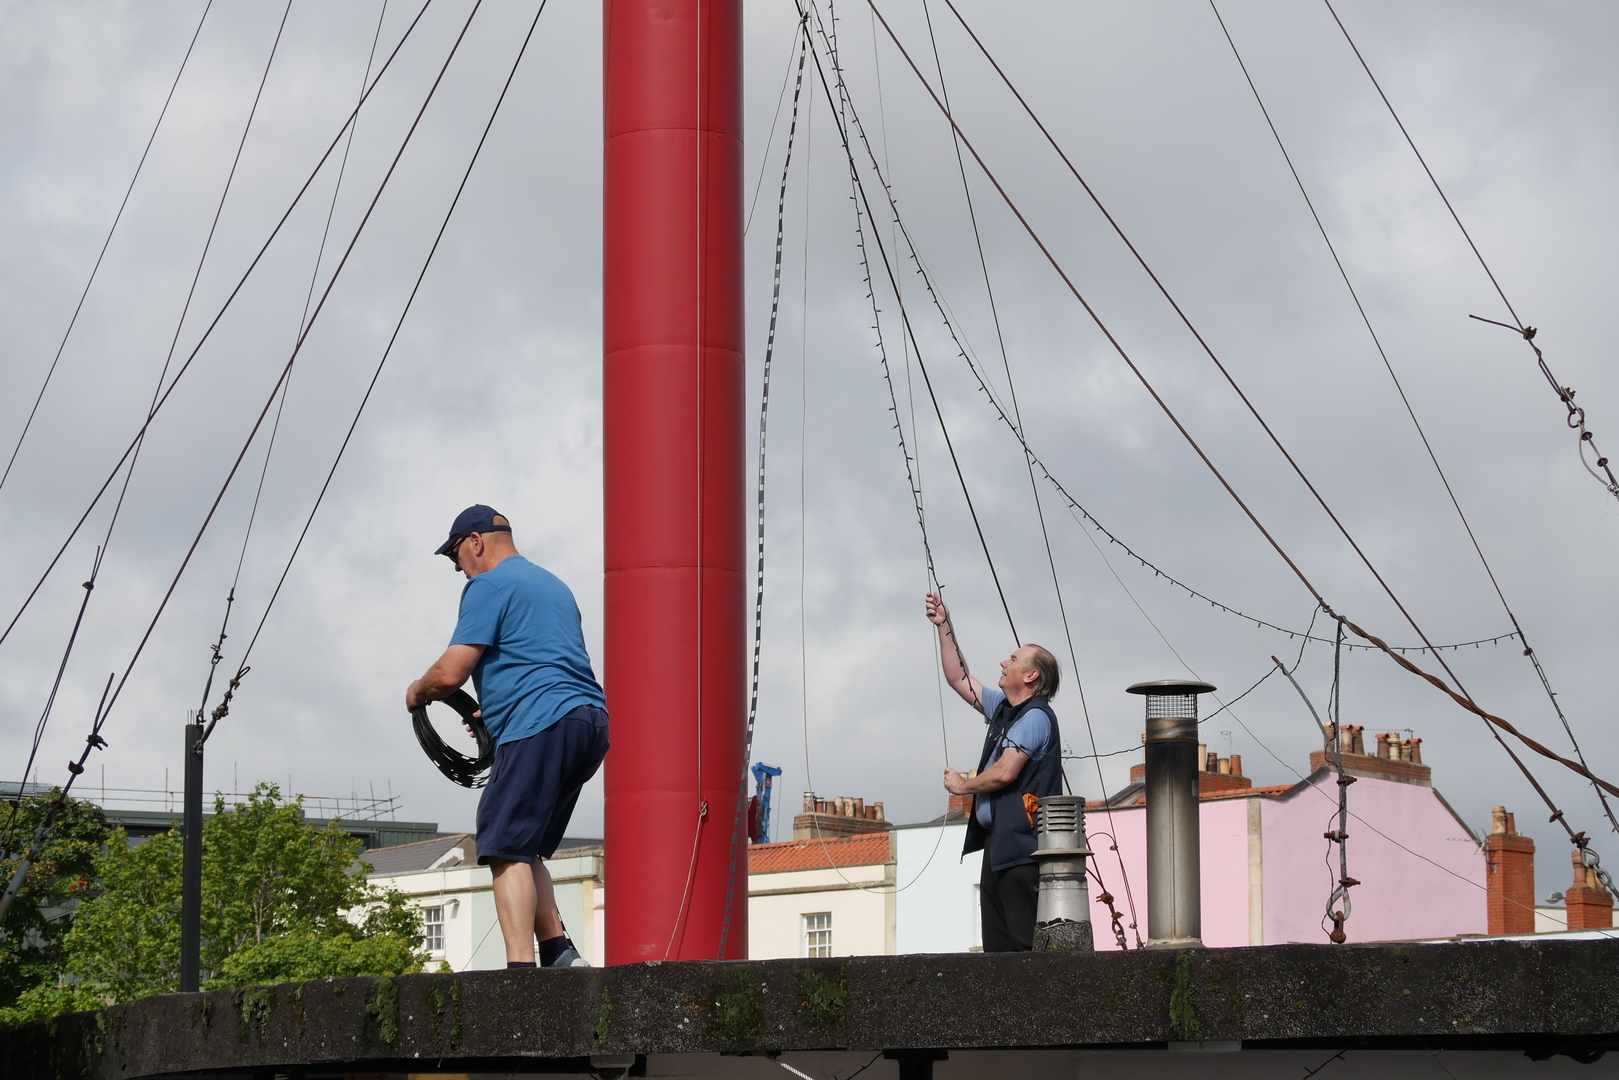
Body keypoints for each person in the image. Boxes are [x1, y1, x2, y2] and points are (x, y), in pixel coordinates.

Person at [406, 505, 608, 969]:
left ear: (476, 541)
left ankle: (521, 970)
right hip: (587, 720)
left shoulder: (488, 585)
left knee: (500, 844)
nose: (458, 568)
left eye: (456, 555)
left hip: (540, 721)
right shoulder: (553, 585)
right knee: (525, 843)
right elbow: (540, 658)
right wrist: (494, 707)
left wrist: (418, 692)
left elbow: (451, 672)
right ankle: (559, 952)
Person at [924, 592, 1063, 952]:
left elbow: (1004, 773)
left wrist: (963, 786)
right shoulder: (1003, 706)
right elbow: (960, 679)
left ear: (1030, 675)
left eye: (1013, 659)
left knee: (1021, 946)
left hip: (1023, 851)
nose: (1004, 662)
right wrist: (944, 625)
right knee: (997, 949)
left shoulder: (1035, 717)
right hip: (999, 847)